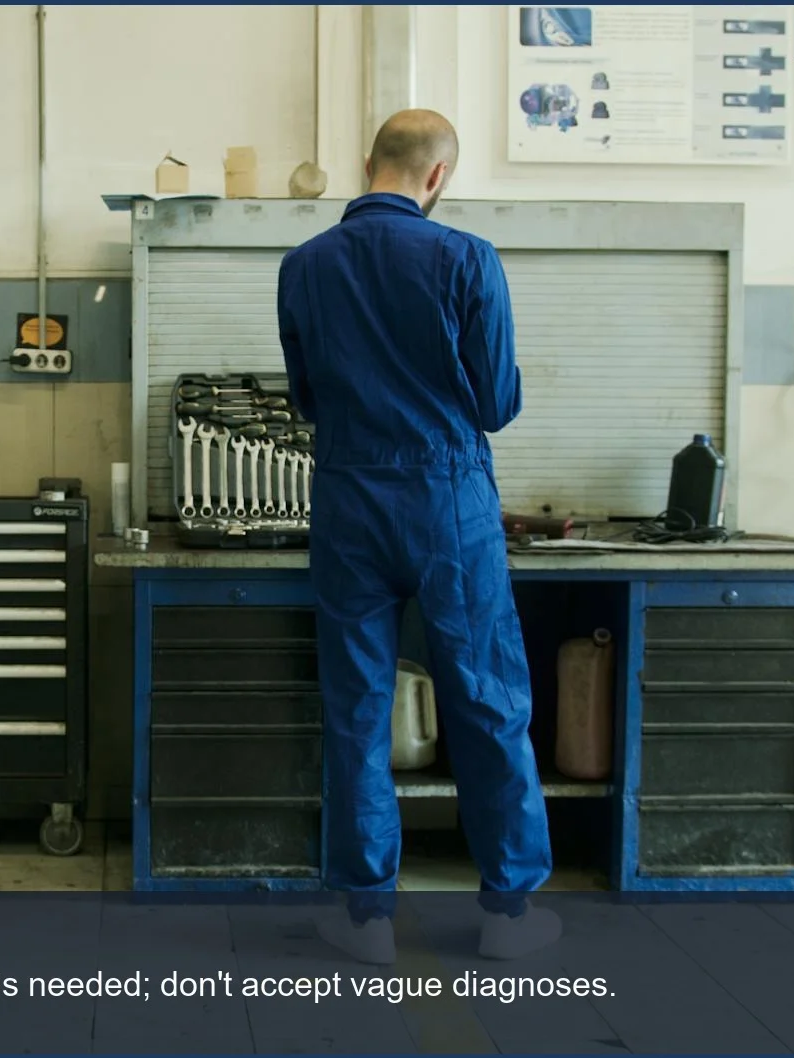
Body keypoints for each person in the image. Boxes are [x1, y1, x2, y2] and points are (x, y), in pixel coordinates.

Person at [276, 109, 561, 965]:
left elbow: (306, 398)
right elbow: (497, 405)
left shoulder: (303, 264)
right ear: (437, 177)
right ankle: (509, 914)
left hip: (349, 500)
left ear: (371, 165)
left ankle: (367, 919)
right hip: (448, 501)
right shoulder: (466, 257)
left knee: (357, 705)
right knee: (486, 698)